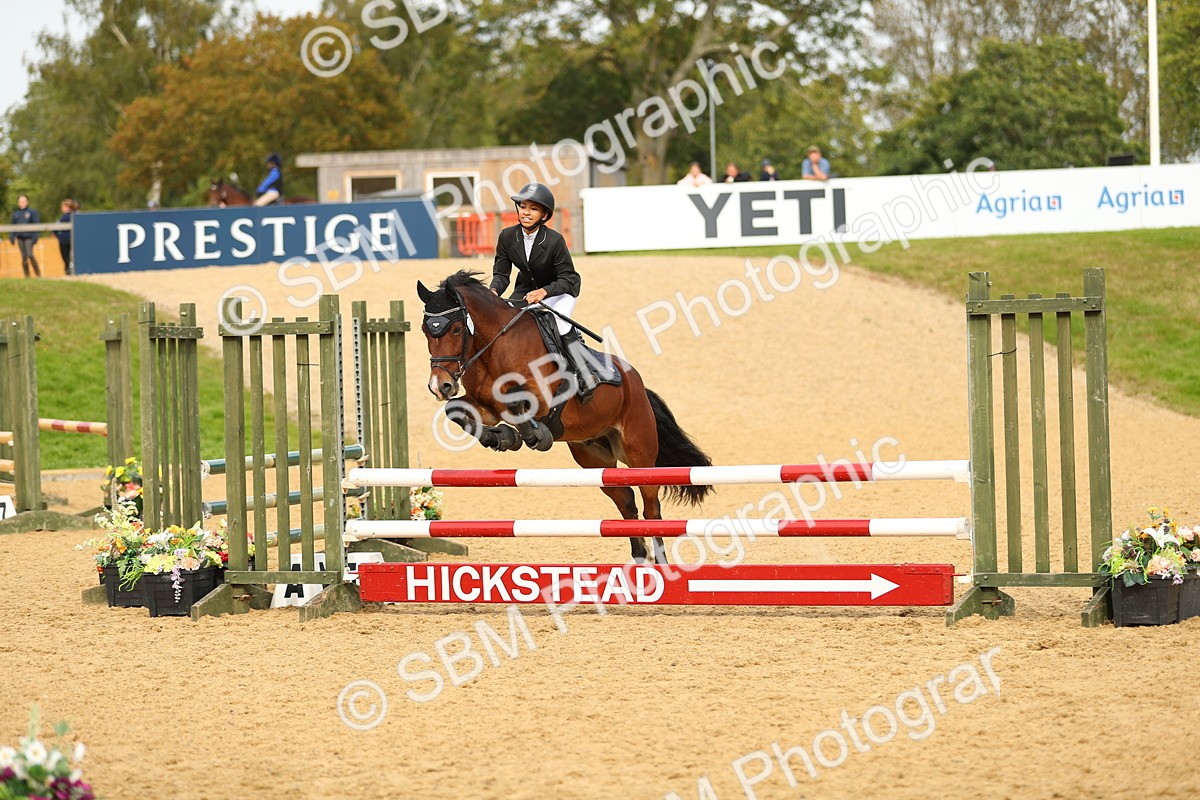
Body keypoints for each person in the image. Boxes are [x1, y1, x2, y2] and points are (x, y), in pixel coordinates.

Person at [489, 182, 591, 399]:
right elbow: (501, 275)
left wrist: (544, 291)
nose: (526, 212)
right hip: (525, 291)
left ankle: (582, 371)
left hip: (559, 291)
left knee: (560, 323)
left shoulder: (554, 240)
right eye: (523, 206)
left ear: (544, 215)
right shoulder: (507, 237)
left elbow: (569, 278)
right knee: (504, 323)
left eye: (533, 209)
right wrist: (494, 291)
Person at [9, 195, 41, 278]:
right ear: (18, 203)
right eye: (20, 201)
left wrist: (36, 236)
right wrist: (12, 236)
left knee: (30, 254)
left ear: (27, 202)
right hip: (20, 237)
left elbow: (36, 225)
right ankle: (27, 276)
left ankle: (38, 274)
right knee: (24, 257)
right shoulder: (15, 214)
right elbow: (13, 226)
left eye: (24, 201)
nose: (22, 203)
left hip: (29, 237)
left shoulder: (32, 212)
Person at [56, 199, 78, 275]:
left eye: (63, 207)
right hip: (72, 239)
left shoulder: (64, 217)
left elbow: (55, 227)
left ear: (68, 208)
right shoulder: (75, 216)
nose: (61, 209)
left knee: (66, 257)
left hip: (64, 240)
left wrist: (59, 236)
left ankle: (68, 270)